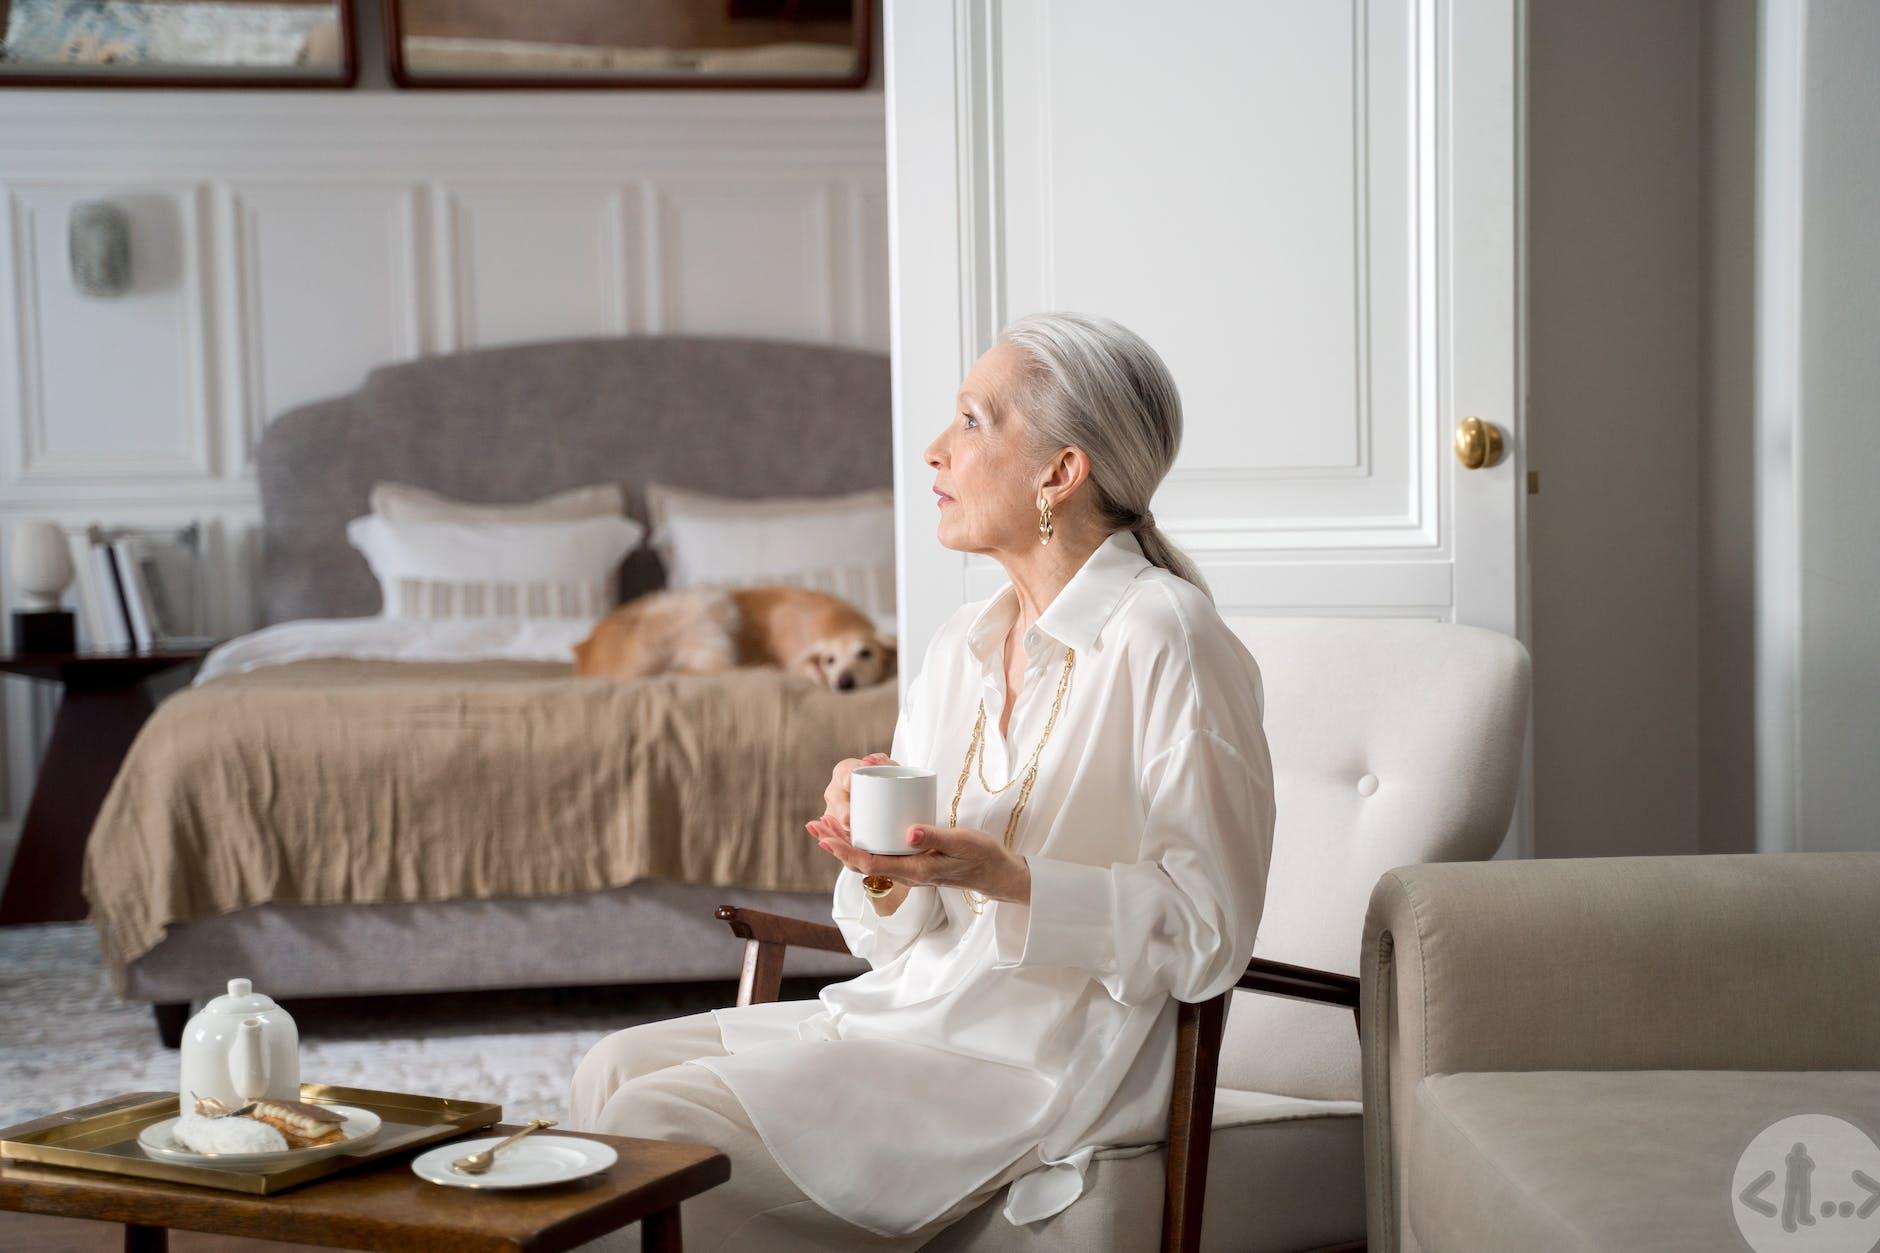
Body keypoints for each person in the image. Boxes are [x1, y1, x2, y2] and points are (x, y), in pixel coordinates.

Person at [567, 311, 1277, 1251]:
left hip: (1038, 1061)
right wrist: (881, 867)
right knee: (608, 1070)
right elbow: (891, 942)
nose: (935, 450)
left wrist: (1010, 880)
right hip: (914, 1017)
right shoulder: (960, 644)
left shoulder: (1168, 636)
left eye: (972, 422)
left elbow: (1208, 932)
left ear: (1060, 474)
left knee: (651, 1122)